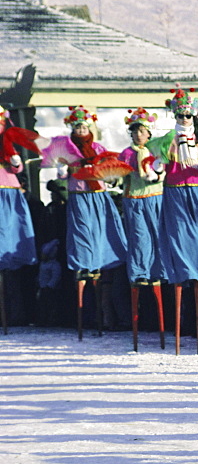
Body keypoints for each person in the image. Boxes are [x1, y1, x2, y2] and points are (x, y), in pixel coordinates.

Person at [44, 106, 128, 339]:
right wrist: (62, 169)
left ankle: (107, 315)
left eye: (84, 126)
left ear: (90, 127)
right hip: (79, 199)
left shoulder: (98, 148)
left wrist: (108, 178)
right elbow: (61, 176)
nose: (81, 129)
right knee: (82, 243)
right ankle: (88, 312)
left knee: (102, 240)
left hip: (98, 198)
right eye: (77, 126)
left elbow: (110, 170)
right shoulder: (66, 149)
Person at [154, 88, 198, 354]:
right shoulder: (167, 138)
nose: (185, 117)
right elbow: (158, 165)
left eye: (188, 113)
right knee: (177, 236)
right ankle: (179, 274)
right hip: (175, 189)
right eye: (181, 113)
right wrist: (161, 157)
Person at [119, 107, 165, 350]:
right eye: (135, 131)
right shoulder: (126, 153)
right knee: (139, 238)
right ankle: (140, 272)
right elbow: (119, 176)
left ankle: (159, 269)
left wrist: (157, 174)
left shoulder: (156, 150)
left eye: (143, 131)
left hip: (155, 197)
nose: (139, 135)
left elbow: (162, 171)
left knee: (157, 235)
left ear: (149, 134)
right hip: (135, 199)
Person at [0, 103, 40, 331]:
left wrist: (15, 163)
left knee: (10, 263)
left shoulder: (7, 144)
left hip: (8, 194)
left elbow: (16, 169)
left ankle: (15, 315)